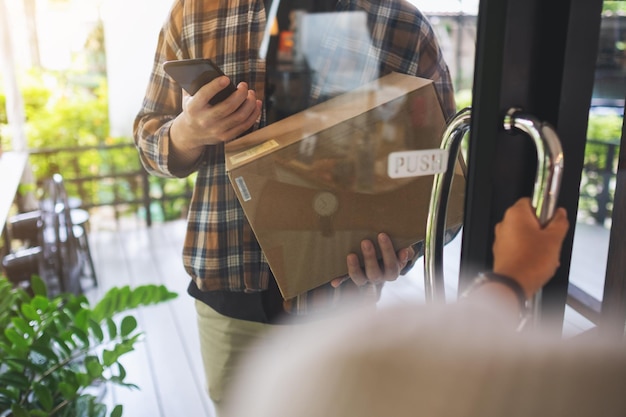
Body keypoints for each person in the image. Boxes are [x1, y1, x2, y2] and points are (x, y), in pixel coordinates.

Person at [133, 0, 456, 412]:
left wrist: (406, 251)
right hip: (229, 293)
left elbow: (446, 180)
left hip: (342, 304)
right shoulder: (196, 11)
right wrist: (186, 133)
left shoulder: (402, 25)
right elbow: (148, 139)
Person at [222, 198, 626, 417]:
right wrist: (512, 279)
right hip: (225, 291)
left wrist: (510, 280)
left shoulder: (308, 378)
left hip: (338, 308)